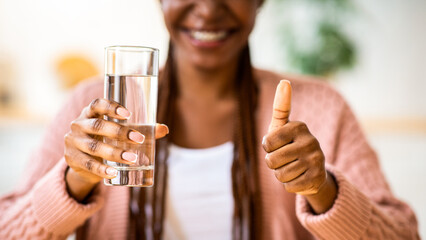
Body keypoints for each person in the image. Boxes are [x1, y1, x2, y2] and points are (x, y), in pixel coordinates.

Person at [0, 0, 420, 239]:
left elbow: (402, 235)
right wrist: (75, 180)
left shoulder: (323, 108)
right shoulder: (92, 103)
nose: (208, 9)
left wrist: (322, 189)